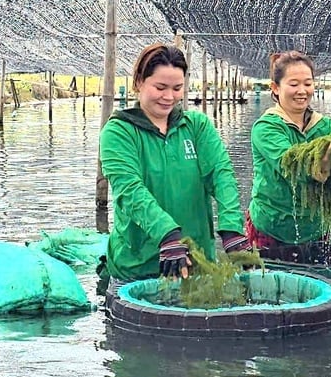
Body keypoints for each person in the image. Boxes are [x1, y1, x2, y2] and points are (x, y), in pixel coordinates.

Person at [99, 43, 249, 285]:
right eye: (160, 87)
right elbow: (129, 190)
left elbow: (221, 174)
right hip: (138, 267)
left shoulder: (196, 125)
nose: (169, 97)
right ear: (139, 82)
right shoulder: (118, 132)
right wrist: (167, 235)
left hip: (197, 262)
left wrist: (231, 227)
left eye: (177, 88)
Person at [246, 51, 331, 247]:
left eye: (308, 84)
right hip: (271, 226)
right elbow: (290, 164)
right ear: (275, 87)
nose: (302, 91)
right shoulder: (266, 127)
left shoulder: (326, 126)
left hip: (316, 228)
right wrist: (322, 166)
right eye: (294, 84)